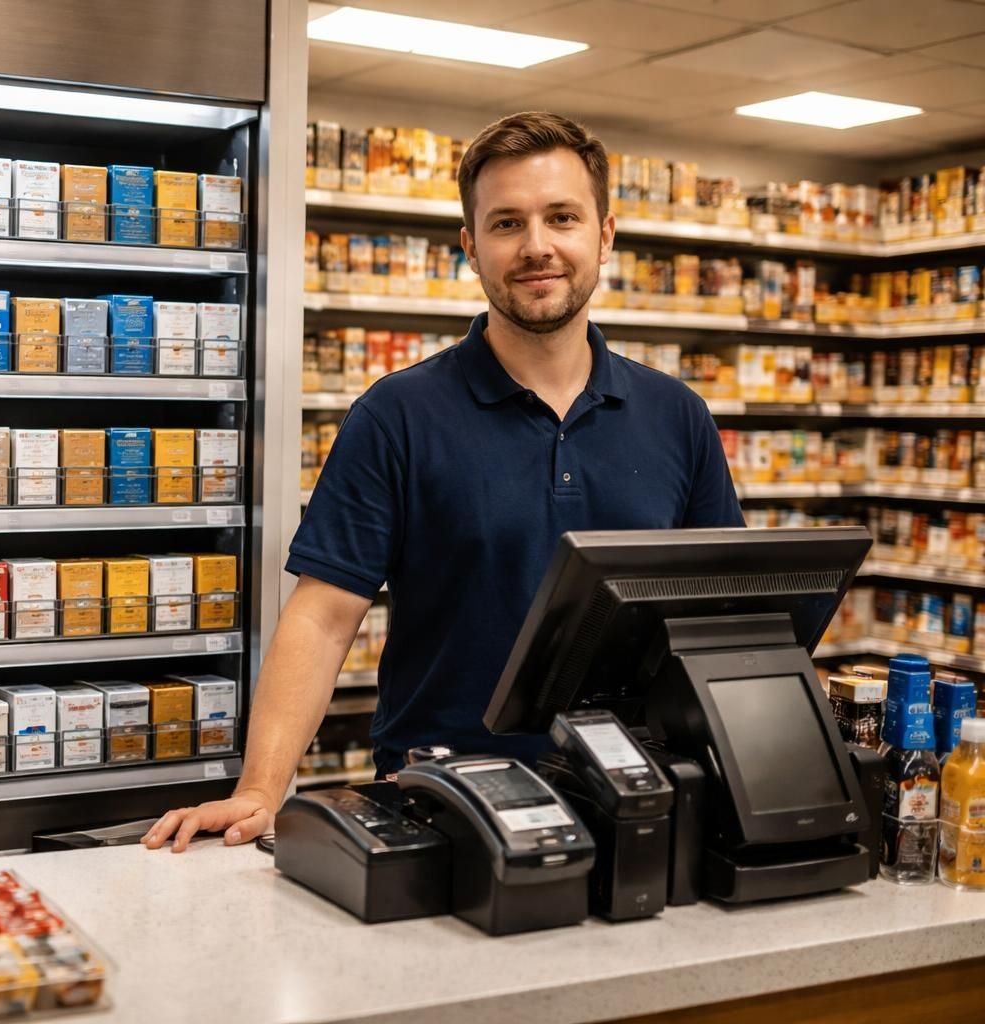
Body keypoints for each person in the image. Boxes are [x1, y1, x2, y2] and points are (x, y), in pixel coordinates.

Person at [143, 110, 745, 854]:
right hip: (442, 805)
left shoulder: (677, 416)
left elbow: (726, 620)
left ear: (605, 234)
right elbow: (324, 617)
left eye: (562, 217)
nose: (537, 247)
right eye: (505, 223)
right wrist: (263, 788)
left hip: (635, 802)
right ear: (469, 246)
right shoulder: (397, 415)